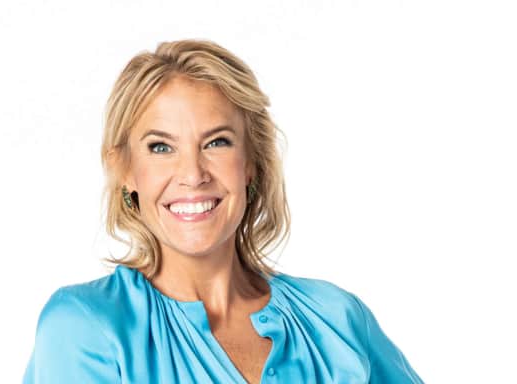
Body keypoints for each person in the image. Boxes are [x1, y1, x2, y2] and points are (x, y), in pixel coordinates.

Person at [23, 39, 423, 384]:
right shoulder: (85, 327)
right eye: (161, 147)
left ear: (251, 163)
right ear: (126, 171)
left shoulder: (337, 318)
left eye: (216, 142)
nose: (192, 174)